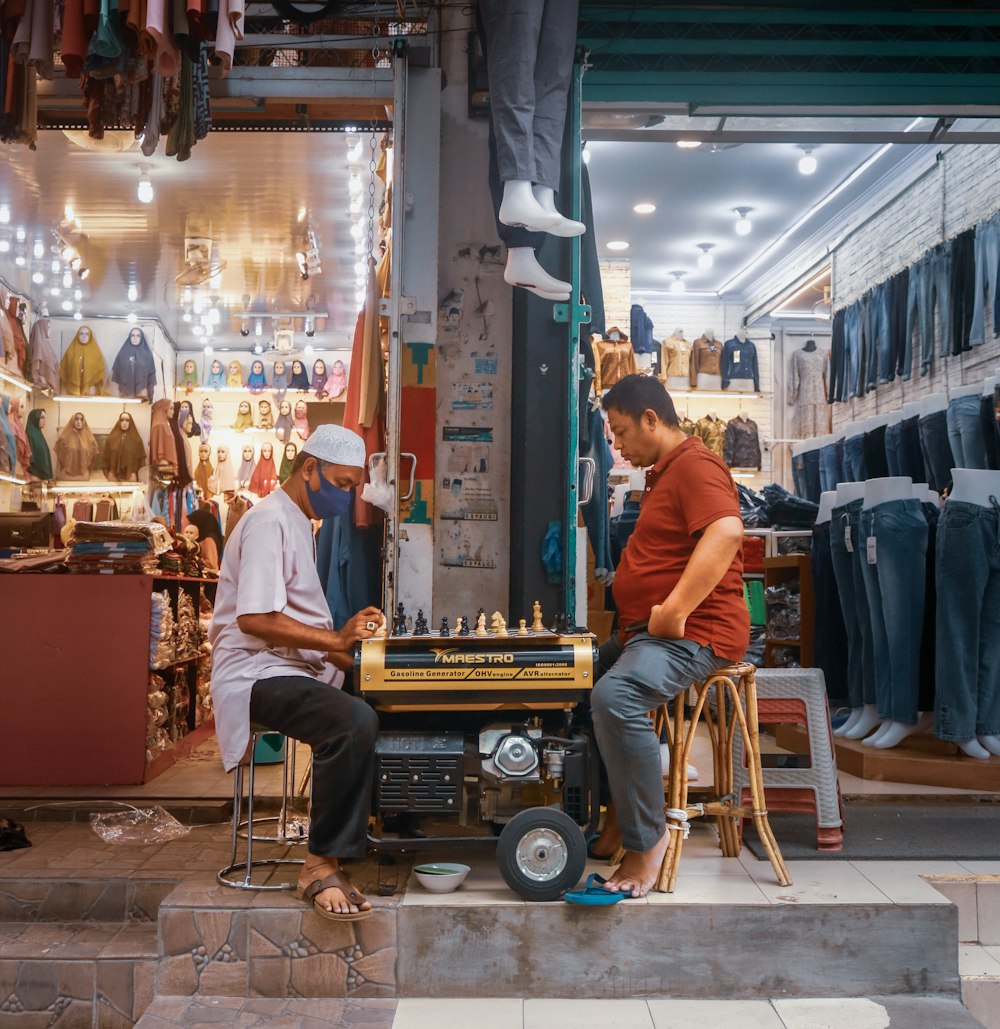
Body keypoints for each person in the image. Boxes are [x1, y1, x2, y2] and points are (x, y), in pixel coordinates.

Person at [209, 424, 385, 920]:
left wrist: (348, 655)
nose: (347, 499)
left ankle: (373, 829)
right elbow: (255, 619)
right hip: (253, 674)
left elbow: (293, 620)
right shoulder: (270, 522)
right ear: (310, 469)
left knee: (382, 694)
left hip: (285, 665)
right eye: (344, 485)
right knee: (350, 722)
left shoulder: (297, 522)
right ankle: (318, 863)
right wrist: (335, 640)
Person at [590, 374, 749, 897]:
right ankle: (616, 814)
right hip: (647, 632)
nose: (616, 445)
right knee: (567, 676)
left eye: (620, 432)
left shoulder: (697, 466)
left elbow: (726, 532)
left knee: (618, 695)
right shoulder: (665, 472)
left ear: (651, 420)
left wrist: (675, 610)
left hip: (692, 633)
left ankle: (645, 844)